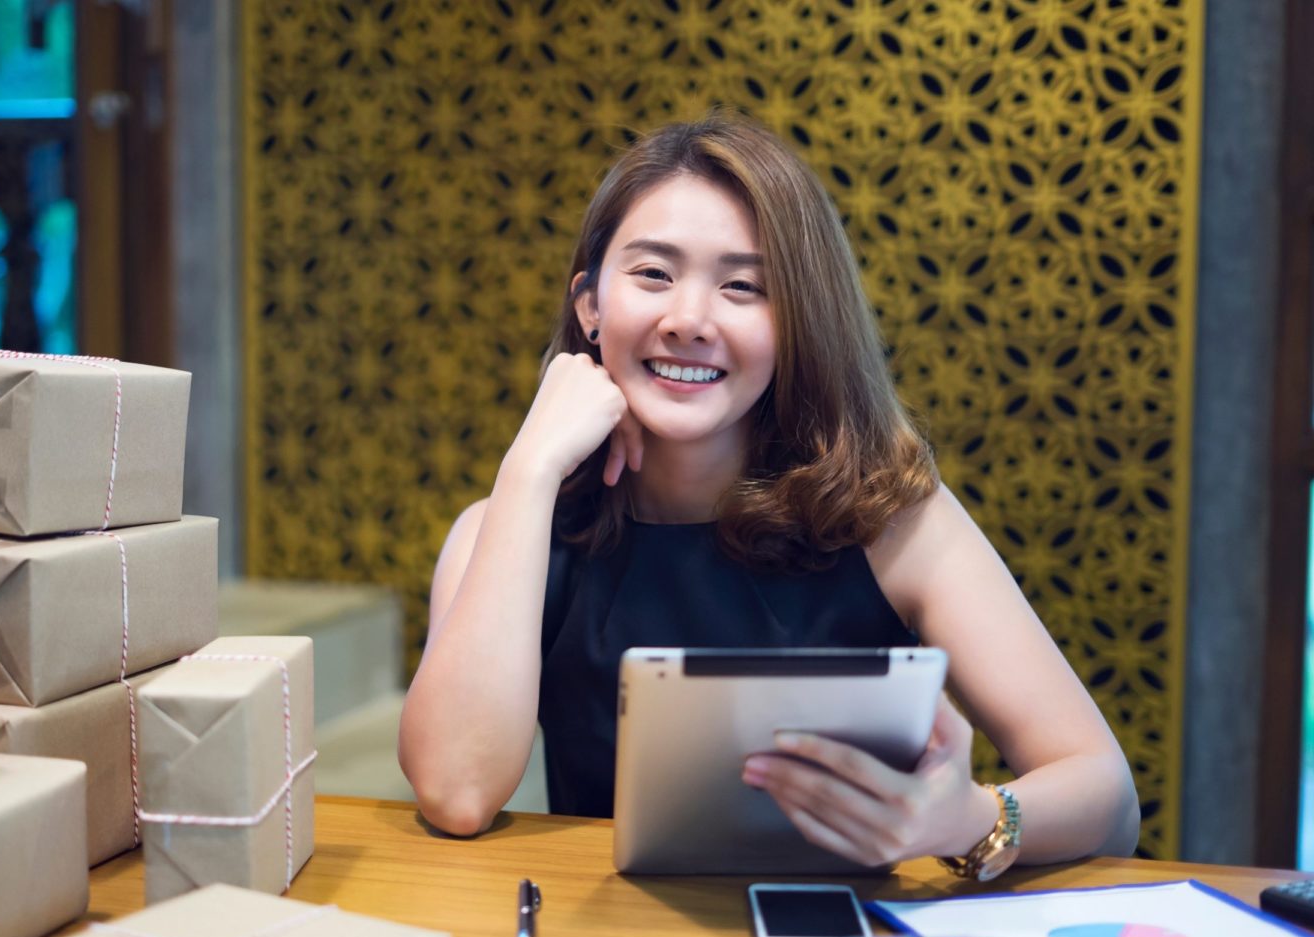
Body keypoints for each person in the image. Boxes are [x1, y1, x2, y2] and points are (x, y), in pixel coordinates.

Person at [398, 113, 1139, 873]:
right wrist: (528, 471)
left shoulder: (890, 518)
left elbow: (1107, 798)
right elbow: (456, 794)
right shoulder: (509, 527)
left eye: (743, 287)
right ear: (591, 305)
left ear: (798, 321)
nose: (688, 320)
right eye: (653, 274)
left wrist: (970, 819)